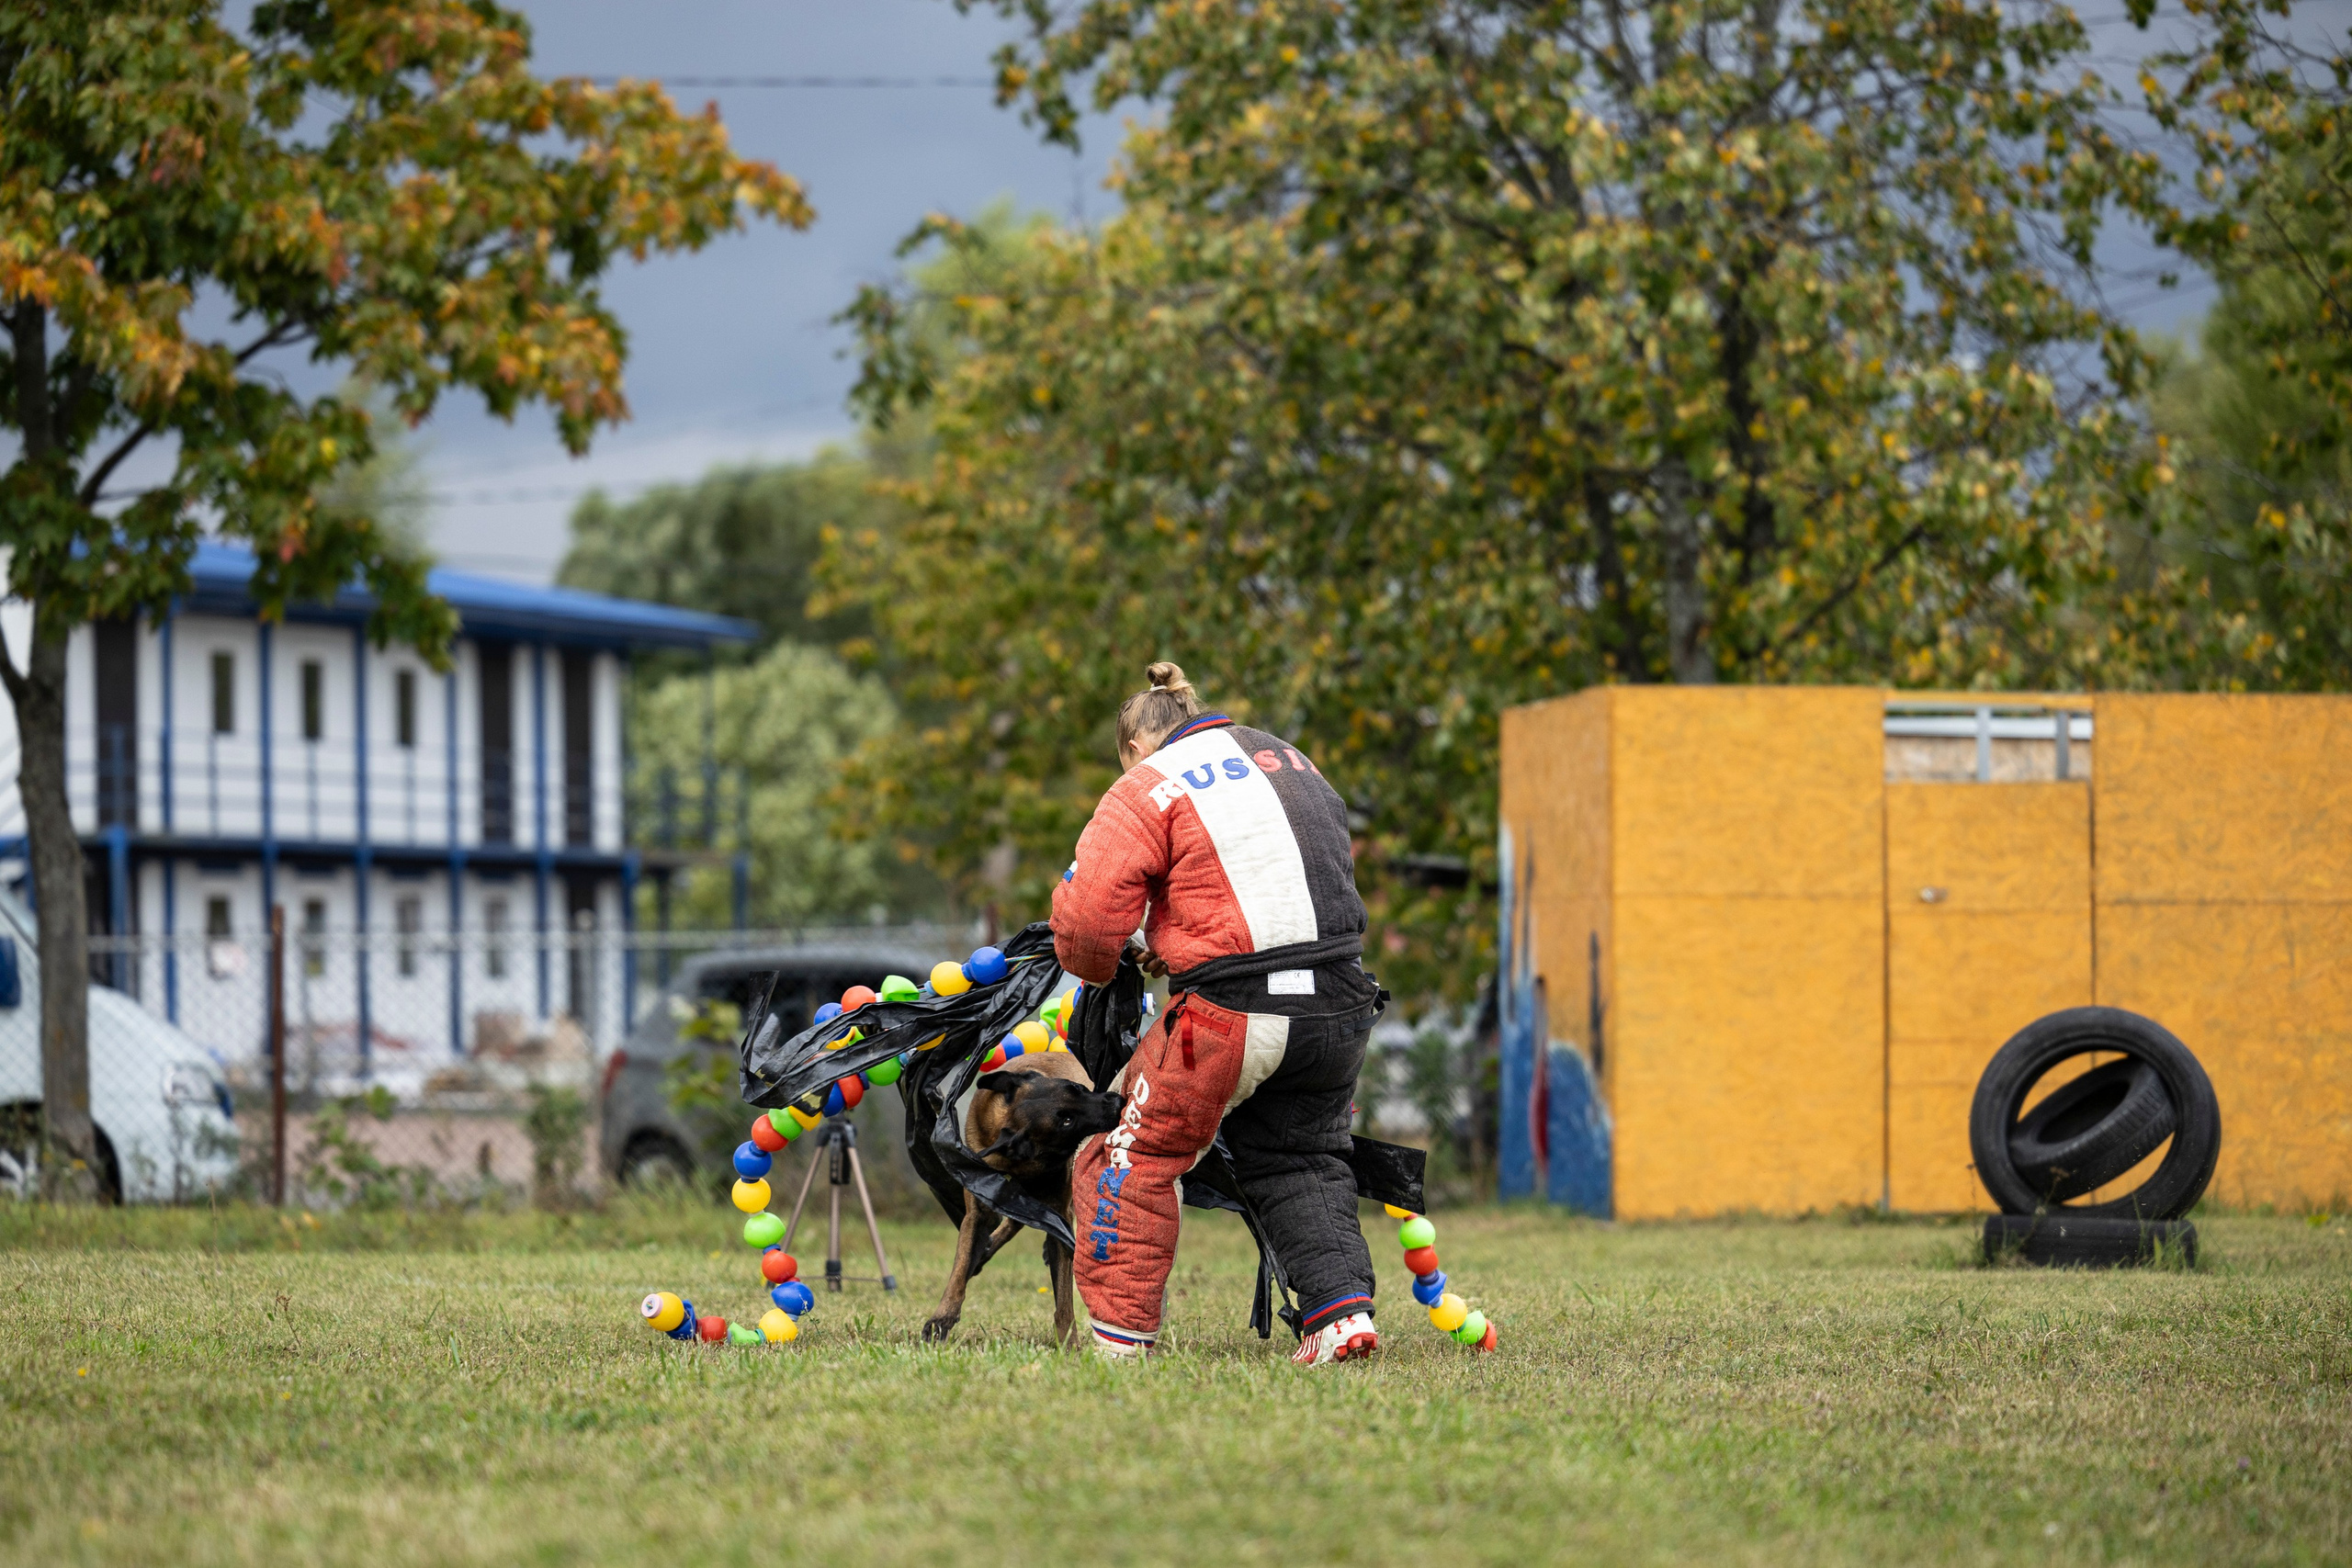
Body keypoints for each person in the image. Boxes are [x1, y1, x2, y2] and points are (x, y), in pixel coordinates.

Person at [1051, 661, 1384, 1365]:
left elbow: (1085, 929)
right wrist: (1178, 943)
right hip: (1340, 1007)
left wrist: (1109, 964)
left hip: (1231, 1018)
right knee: (1302, 1156)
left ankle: (1121, 1340)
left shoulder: (1144, 787)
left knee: (1128, 1155)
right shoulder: (1290, 757)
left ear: (1136, 749)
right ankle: (1341, 1316)